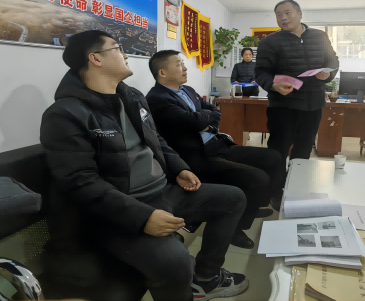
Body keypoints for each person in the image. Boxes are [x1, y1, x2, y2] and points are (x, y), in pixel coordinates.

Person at [40, 31, 249, 301]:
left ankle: (206, 278)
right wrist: (142, 217)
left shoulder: (133, 97)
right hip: (117, 209)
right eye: (117, 48)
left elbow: (156, 140)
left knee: (233, 198)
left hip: (163, 192)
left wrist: (179, 168)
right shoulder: (65, 114)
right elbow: (80, 181)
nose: (125, 54)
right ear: (95, 59)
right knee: (175, 261)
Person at [145, 50, 286, 248]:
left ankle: (252, 206)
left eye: (183, 64)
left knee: (273, 157)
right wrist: (204, 119)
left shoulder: (187, 90)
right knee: (257, 178)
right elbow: (195, 122)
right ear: (163, 72)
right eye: (178, 64)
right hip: (198, 155)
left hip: (217, 144)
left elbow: (214, 109)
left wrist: (206, 120)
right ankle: (237, 229)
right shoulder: (156, 98)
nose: (185, 68)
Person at [254, 0, 339, 208]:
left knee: (304, 149)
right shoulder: (269, 42)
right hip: (283, 104)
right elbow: (261, 72)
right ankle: (276, 192)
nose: (283, 18)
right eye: (279, 14)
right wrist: (273, 85)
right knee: (278, 150)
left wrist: (328, 74)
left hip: (313, 103)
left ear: (300, 14)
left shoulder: (320, 36)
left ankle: (296, 189)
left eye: (288, 13)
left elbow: (333, 61)